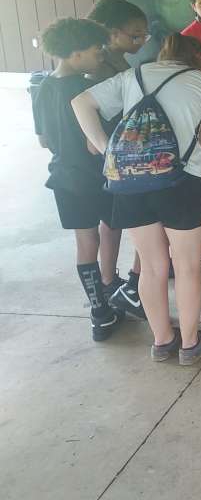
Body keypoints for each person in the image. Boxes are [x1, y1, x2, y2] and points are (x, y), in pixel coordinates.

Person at [73, 33, 201, 365]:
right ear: (198, 55)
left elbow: (81, 102)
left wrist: (107, 152)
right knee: (186, 267)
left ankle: (161, 341)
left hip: (131, 181)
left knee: (152, 266)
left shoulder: (134, 76)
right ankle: (190, 344)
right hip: (183, 181)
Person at [34, 18, 125, 341]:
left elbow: (43, 139)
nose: (100, 54)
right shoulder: (87, 90)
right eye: (94, 50)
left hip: (63, 177)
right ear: (74, 54)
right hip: (94, 175)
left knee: (85, 242)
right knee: (111, 226)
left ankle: (99, 312)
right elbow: (93, 142)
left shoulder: (43, 86)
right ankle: (110, 281)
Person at [87, 0, 152, 317]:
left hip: (112, 158)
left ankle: (110, 280)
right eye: (135, 35)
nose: (141, 41)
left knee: (111, 221)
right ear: (112, 33)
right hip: (118, 157)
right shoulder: (104, 69)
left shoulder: (114, 62)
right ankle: (130, 286)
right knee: (140, 219)